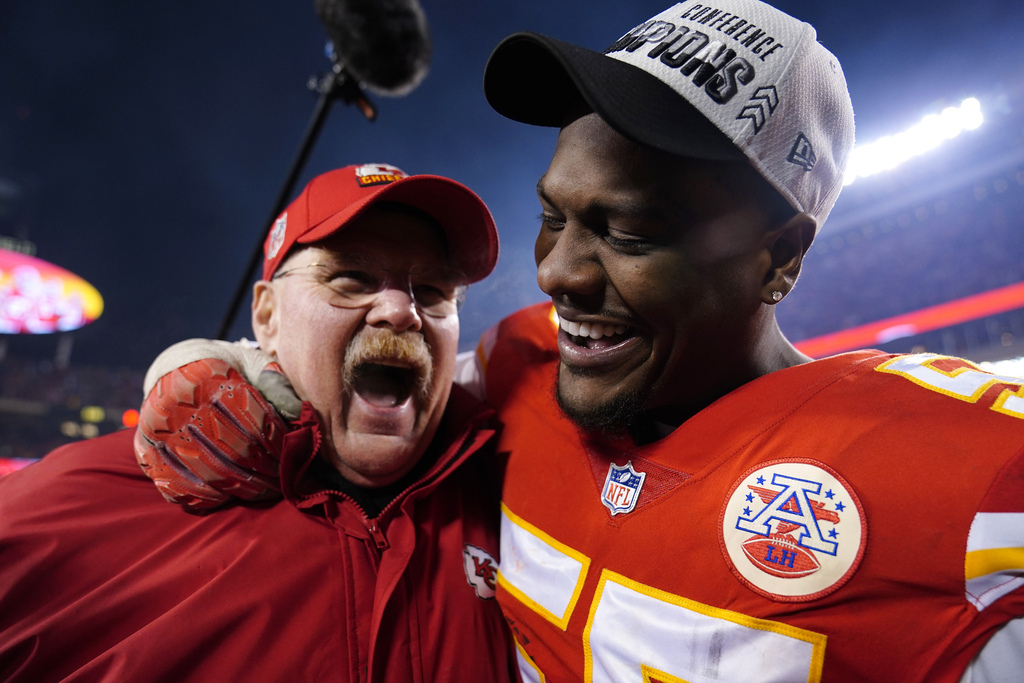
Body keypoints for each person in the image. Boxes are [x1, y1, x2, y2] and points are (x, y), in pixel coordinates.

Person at [121, 1, 1024, 681]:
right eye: (553, 217)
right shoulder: (523, 369)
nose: (558, 274)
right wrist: (212, 364)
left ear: (778, 258)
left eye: (627, 232)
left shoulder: (965, 475)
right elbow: (344, 371)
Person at [0, 163, 518, 682]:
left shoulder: (512, 487)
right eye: (352, 278)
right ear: (267, 317)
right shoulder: (107, 495)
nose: (402, 311)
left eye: (432, 290)